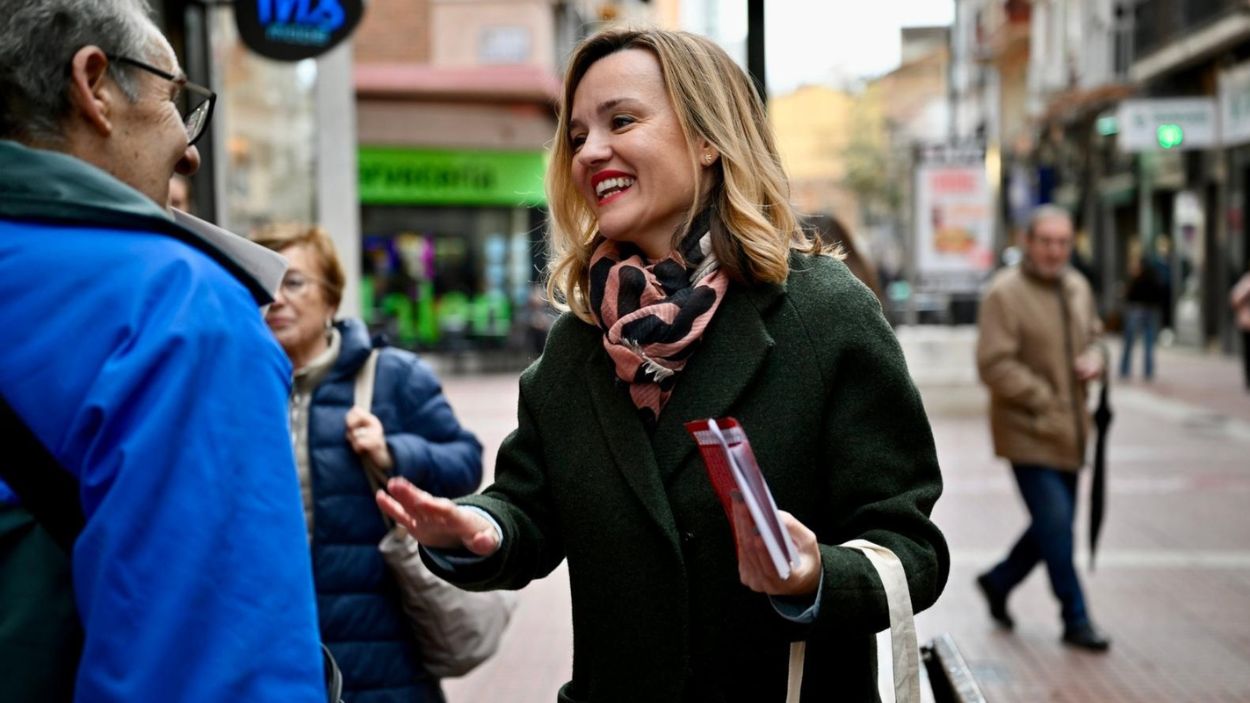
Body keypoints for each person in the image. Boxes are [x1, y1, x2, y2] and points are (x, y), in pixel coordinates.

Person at [375, 28, 949, 701]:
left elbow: (911, 547)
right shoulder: (579, 338)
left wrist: (817, 571)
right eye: (578, 133)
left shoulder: (822, 314)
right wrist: (482, 527)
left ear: (708, 139)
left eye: (621, 120)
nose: (591, 150)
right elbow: (528, 506)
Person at [0, 1, 326, 700]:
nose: (191, 146)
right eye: (175, 97)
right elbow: (221, 677)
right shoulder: (181, 310)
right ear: (93, 85)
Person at [252, 223, 484, 703]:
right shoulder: (236, 389)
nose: (276, 298)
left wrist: (393, 451)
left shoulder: (391, 376)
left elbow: (465, 462)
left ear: (332, 299)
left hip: (386, 658)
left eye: (294, 281)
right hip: (277, 654)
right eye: (263, 284)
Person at [974, 205, 1111, 652]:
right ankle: (1076, 616)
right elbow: (993, 364)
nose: (1055, 251)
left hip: (1072, 431)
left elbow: (1095, 338)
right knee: (1057, 524)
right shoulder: (1004, 293)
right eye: (1046, 241)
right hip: (1027, 431)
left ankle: (998, 581)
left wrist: (1097, 359)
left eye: (1063, 242)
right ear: (1028, 242)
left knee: (1053, 526)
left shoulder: (1077, 287)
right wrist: (1043, 398)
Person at [1119, 253, 1166, 380]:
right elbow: (1160, 294)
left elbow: (1129, 295)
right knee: (1149, 344)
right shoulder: (1155, 277)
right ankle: (1148, 371)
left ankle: (1124, 369)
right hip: (1151, 311)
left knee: (1129, 342)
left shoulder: (1137, 277)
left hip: (1137, 310)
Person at [1232, 262, 1250, 391]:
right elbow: (1235, 298)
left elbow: (1234, 299)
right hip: (1246, 323)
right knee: (1247, 353)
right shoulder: (1247, 280)